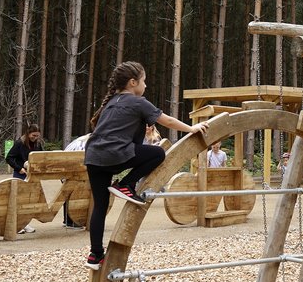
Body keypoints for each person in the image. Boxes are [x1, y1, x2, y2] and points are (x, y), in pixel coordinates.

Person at [83, 61, 209, 270]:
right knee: (158, 153)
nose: (146, 86)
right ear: (133, 83)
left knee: (100, 207)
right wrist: (191, 128)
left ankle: (95, 255)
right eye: (144, 81)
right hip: (115, 154)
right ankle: (126, 183)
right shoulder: (138, 102)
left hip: (94, 156)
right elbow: (166, 121)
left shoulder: (110, 102)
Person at [6, 124, 44, 234]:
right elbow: (9, 158)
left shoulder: (38, 144)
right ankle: (17, 224)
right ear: (28, 133)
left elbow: (41, 156)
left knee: (29, 201)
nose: (35, 138)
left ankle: (25, 223)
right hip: (21, 175)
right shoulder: (19, 143)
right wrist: (19, 168)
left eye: (37, 136)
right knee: (19, 200)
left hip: (33, 175)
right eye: (33, 135)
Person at [60, 134, 91, 230]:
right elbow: (81, 159)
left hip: (65, 168)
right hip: (71, 171)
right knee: (73, 195)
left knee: (69, 194)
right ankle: (71, 221)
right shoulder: (84, 144)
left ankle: (68, 220)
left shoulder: (82, 140)